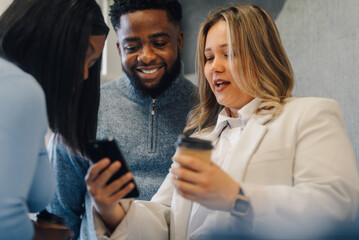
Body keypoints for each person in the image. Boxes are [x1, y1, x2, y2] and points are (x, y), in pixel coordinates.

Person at [86, 3, 359, 240]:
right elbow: (166, 221)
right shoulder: (197, 138)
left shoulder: (309, 115)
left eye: (228, 54)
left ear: (261, 56)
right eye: (208, 57)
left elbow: (337, 207)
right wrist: (112, 211)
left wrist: (236, 197)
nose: (214, 67)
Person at [45, 0, 197, 239]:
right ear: (119, 49)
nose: (146, 57)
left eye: (158, 43)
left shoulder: (208, 109)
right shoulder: (86, 109)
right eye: (132, 47)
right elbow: (60, 216)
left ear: (179, 41)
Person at [0, 0, 109, 239]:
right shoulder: (20, 90)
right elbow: (6, 223)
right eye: (84, 56)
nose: (84, 75)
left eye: (92, 64)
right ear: (53, 35)